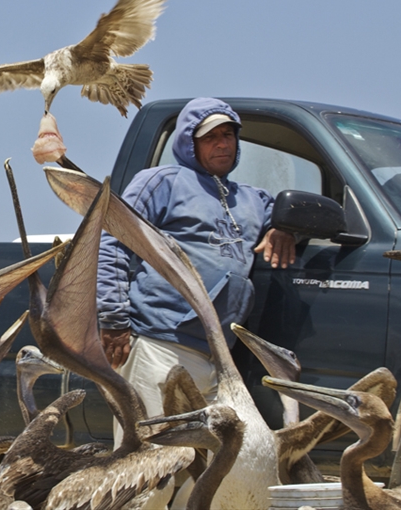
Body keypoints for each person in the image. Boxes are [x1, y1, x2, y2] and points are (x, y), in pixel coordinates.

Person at [96, 97, 296, 428]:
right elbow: (112, 243)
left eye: (228, 135)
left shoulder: (252, 199)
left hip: (218, 354)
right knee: (150, 460)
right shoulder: (162, 182)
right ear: (190, 142)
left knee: (203, 468)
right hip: (158, 344)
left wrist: (283, 228)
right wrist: (114, 320)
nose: (222, 144)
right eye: (210, 137)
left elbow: (286, 212)